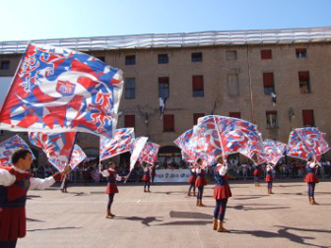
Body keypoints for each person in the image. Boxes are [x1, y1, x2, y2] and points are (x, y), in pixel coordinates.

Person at [0, 149, 69, 248]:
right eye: (29, 159)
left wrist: (60, 174)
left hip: (15, 218)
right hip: (4, 218)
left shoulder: (26, 178)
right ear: (20, 160)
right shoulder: (7, 174)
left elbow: (43, 184)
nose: (31, 161)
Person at [213, 156, 232, 232]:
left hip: (218, 187)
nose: (224, 159)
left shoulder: (216, 167)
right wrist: (224, 164)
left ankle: (215, 223)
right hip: (222, 187)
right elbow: (222, 173)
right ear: (220, 160)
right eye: (222, 158)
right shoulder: (221, 167)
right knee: (222, 207)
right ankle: (220, 226)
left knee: (217, 206)